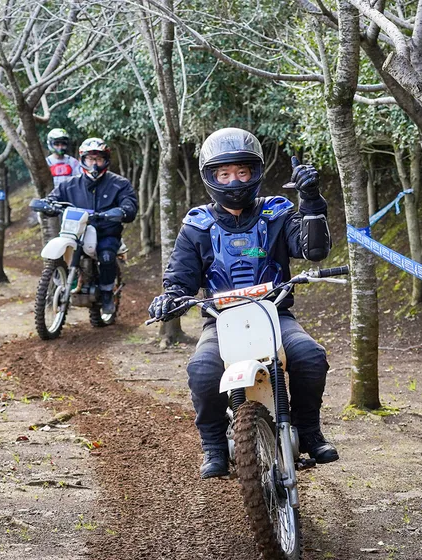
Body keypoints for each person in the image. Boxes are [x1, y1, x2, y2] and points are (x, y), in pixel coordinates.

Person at [147, 127, 338, 479]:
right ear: (211, 177)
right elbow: (179, 280)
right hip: (221, 321)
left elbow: (313, 250)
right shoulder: (197, 225)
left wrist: (311, 201)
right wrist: (169, 298)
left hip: (275, 314)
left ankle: (309, 430)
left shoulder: (277, 213)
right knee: (202, 371)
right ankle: (214, 445)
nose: (233, 181)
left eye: (242, 172)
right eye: (224, 173)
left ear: (255, 173)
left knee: (310, 356)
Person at [42, 137, 138, 315]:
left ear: (106, 160)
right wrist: (47, 204)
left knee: (107, 255)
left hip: (106, 232)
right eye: (90, 159)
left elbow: (129, 205)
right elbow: (54, 197)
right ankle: (64, 283)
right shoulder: (70, 184)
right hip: (75, 232)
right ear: (83, 160)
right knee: (61, 252)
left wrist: (122, 211)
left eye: (99, 159)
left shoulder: (119, 183)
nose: (94, 163)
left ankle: (108, 293)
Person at [43, 129, 83, 239]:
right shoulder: (47, 163)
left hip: (72, 200)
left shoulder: (73, 162)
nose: (60, 147)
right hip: (54, 200)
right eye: (56, 144)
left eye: (63, 144)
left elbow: (80, 179)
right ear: (50, 144)